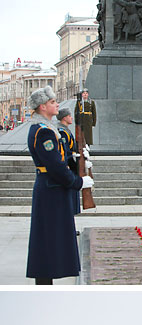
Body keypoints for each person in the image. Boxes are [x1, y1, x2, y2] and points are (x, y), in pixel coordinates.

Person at [26, 87, 93, 283]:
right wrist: (77, 182)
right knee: (48, 239)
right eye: (53, 102)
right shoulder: (43, 132)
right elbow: (55, 166)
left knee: (53, 238)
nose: (57, 105)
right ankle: (44, 283)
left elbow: (61, 158)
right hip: (51, 189)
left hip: (52, 188)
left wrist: (77, 161)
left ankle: (46, 281)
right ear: (42, 106)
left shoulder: (48, 129)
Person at [57, 103, 81, 215]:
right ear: (65, 117)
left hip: (72, 167)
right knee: (70, 199)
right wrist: (74, 157)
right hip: (69, 167)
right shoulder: (62, 132)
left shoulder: (66, 130)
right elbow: (65, 151)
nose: (71, 117)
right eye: (69, 115)